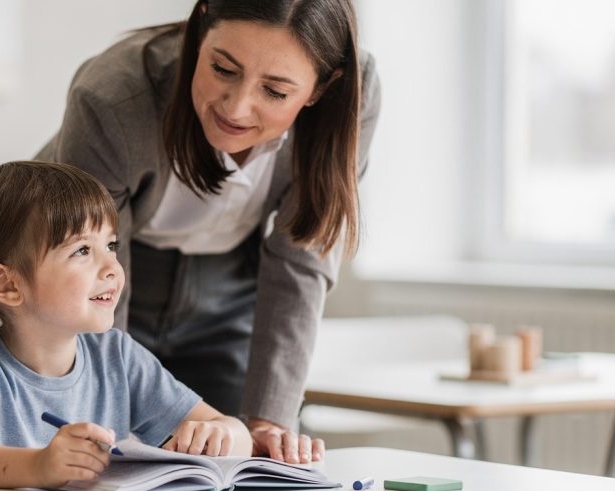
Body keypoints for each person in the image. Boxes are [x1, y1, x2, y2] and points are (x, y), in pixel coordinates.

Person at [35, 0, 381, 464]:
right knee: (101, 457)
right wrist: (99, 423)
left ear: (322, 87)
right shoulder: (115, 97)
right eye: (222, 68)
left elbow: (302, 258)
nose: (236, 107)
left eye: (275, 92)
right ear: (200, 32)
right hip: (107, 276)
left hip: (230, 285)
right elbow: (88, 268)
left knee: (237, 462)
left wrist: (269, 419)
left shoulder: (353, 96)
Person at [0, 161, 252, 488]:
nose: (112, 267)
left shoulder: (118, 356)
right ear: (7, 285)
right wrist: (40, 465)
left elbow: (235, 434)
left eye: (111, 246)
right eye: (82, 250)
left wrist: (222, 433)